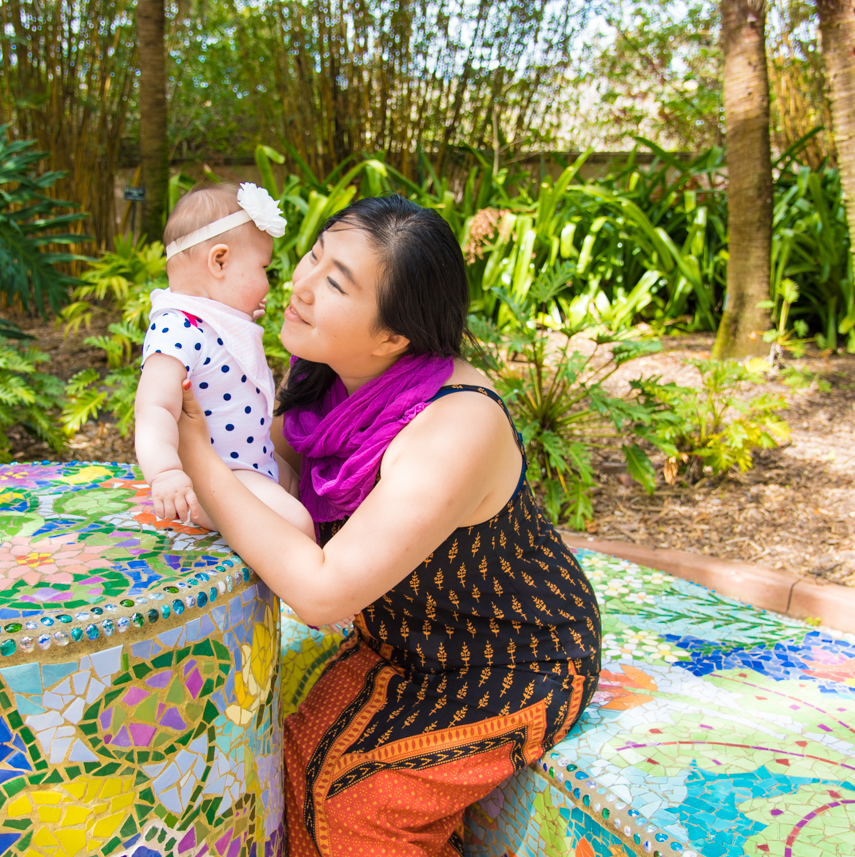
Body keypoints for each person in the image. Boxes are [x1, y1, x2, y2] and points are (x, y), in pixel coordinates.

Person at [173, 195, 602, 856]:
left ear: (394, 336)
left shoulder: (456, 426)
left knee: (353, 804)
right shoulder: (337, 383)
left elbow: (322, 593)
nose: (302, 283)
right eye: (314, 255)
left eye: (336, 282)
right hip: (402, 639)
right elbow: (267, 462)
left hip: (511, 657)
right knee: (284, 756)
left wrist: (197, 459)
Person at [135, 182, 315, 538]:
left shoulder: (214, 316)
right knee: (296, 524)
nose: (268, 282)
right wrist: (167, 472)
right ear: (219, 261)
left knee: (300, 487)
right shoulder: (176, 328)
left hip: (252, 462)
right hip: (218, 475)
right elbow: (152, 408)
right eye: (264, 268)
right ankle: (303, 589)